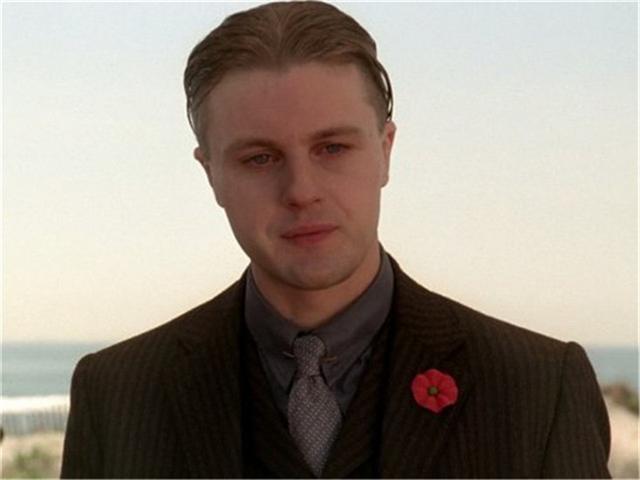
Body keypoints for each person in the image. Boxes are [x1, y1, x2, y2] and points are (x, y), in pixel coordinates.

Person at [60, 1, 611, 478]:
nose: (301, 191)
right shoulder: (117, 393)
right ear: (211, 175)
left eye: (332, 148)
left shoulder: (538, 387)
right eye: (260, 158)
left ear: (385, 151)